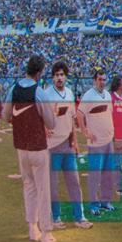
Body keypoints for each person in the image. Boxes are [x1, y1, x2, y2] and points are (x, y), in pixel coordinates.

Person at [2, 55, 57, 242]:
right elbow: (51, 122)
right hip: (38, 146)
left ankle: (32, 228)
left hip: (21, 147)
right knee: (43, 189)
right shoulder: (39, 92)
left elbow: (5, 115)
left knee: (29, 186)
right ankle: (46, 233)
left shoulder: (13, 89)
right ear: (40, 72)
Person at [39, 61, 91, 229]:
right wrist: (45, 127)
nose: (59, 78)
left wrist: (75, 141)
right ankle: (56, 217)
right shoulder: (46, 95)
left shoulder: (69, 93)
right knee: (53, 185)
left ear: (66, 76)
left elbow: (72, 119)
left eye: (62, 75)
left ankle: (80, 217)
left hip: (67, 145)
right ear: (52, 77)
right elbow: (39, 118)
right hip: (52, 146)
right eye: (56, 75)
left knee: (74, 182)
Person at [79, 69, 116, 217]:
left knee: (108, 173)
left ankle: (105, 201)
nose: (102, 82)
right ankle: (93, 204)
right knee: (95, 174)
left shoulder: (107, 95)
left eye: (104, 79)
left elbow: (109, 113)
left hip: (108, 140)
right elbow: (80, 114)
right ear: (95, 80)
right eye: (100, 79)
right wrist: (85, 132)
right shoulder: (88, 95)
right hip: (96, 143)